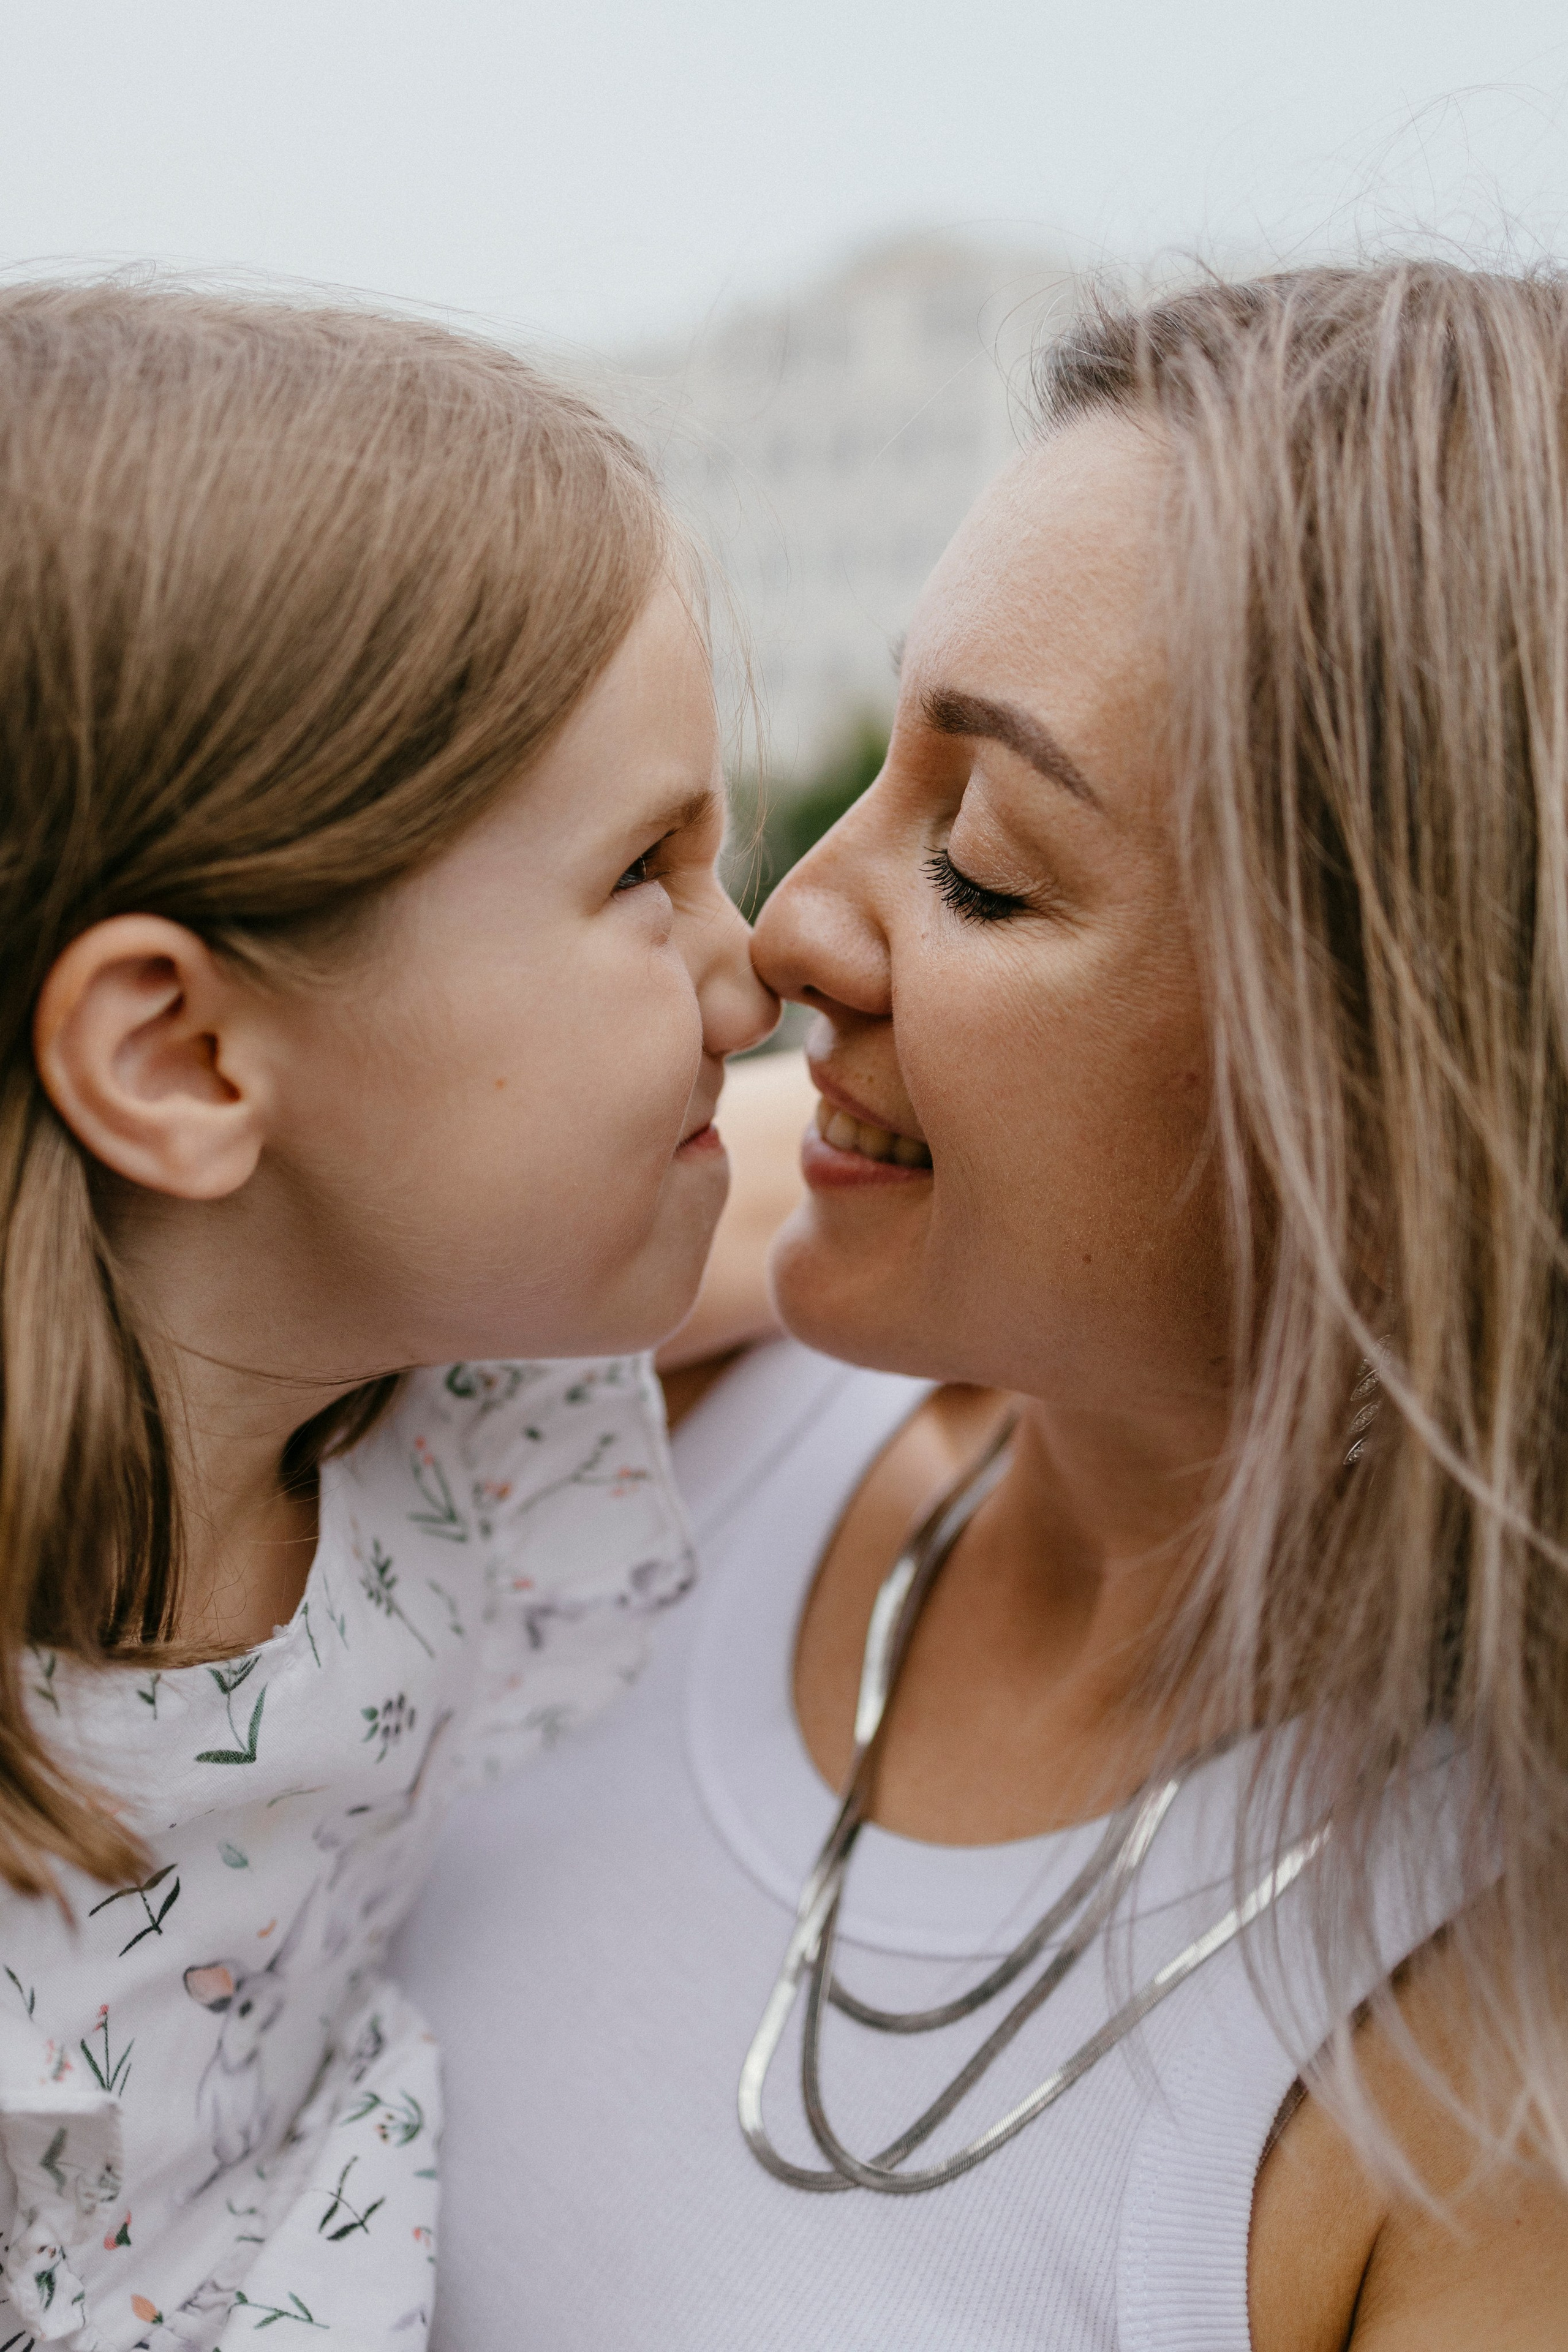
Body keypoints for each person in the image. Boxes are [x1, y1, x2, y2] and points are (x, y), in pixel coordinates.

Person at [399, 262, 1568, 2350]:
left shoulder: (1479, 2103)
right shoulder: (646, 1385)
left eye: (990, 867)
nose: (785, 936)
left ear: (1410, 1077)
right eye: (876, 773)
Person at [0, 284, 773, 2350]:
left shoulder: (461, 1378)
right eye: (645, 872)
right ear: (183, 1055)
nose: (756, 966)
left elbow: (884, 1180)